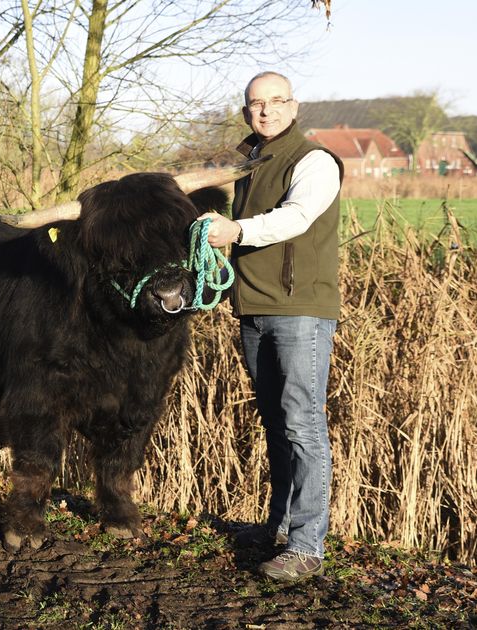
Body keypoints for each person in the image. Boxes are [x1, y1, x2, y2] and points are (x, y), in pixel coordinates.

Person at [198, 71, 343, 583]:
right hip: (252, 307)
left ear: (294, 106)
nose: (266, 111)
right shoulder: (246, 163)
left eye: (276, 101)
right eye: (256, 104)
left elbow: (297, 216)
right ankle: (279, 529)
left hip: (300, 307)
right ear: (246, 112)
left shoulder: (314, 160)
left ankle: (307, 545)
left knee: (302, 423)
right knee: (277, 426)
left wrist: (235, 230)